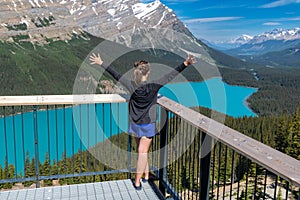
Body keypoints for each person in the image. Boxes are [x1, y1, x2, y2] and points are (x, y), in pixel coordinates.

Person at [90, 53, 196, 190]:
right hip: (148, 124)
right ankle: (138, 181)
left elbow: (115, 74)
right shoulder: (154, 86)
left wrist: (101, 63)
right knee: (143, 152)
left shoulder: (130, 85)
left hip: (134, 123)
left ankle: (146, 175)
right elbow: (170, 75)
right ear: (148, 72)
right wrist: (185, 64)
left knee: (142, 152)